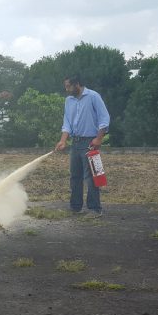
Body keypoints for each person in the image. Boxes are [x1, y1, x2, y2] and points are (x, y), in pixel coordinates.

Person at [55, 74, 110, 217]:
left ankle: (94, 209)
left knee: (92, 176)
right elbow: (67, 122)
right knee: (75, 176)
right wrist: (63, 140)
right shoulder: (69, 101)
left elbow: (104, 119)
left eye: (68, 86)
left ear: (77, 84)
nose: (67, 90)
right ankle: (75, 207)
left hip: (90, 141)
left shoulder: (93, 97)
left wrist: (98, 139)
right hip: (76, 142)